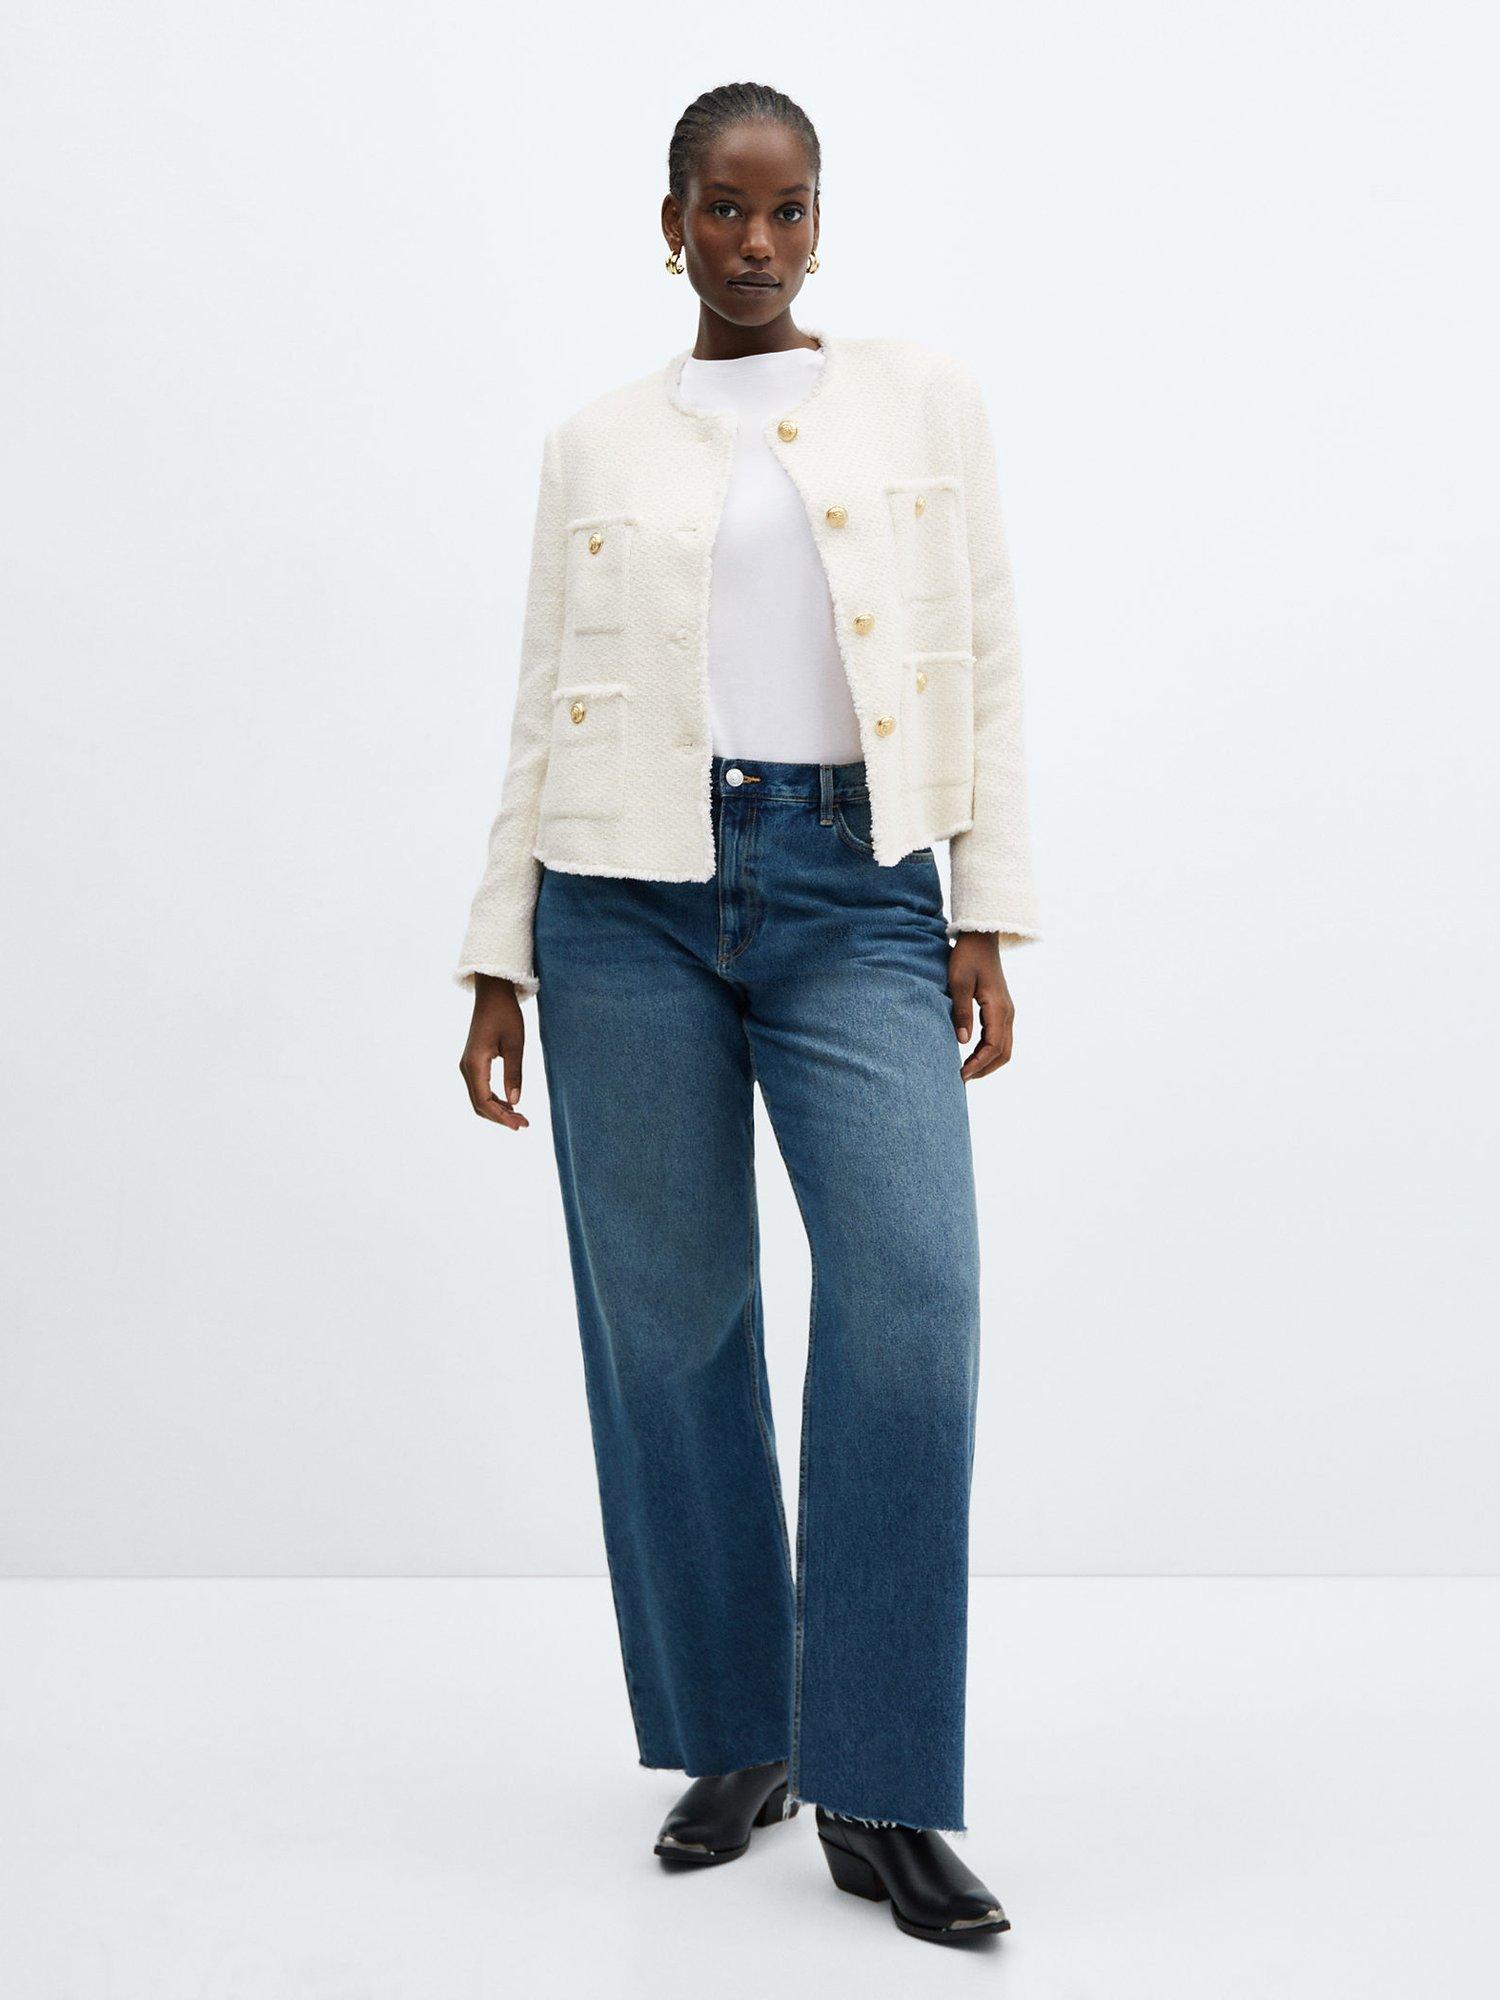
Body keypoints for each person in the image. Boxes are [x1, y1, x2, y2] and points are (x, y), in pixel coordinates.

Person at [455, 81, 1040, 1946]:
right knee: (672, 1323)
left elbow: (985, 656)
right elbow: (544, 697)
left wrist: (987, 908)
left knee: (914, 1302)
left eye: (787, 211)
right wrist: (498, 947)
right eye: (724, 208)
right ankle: (737, 1733)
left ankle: (880, 1777)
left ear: (820, 222)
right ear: (672, 223)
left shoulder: (921, 398)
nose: (758, 243)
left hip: (855, 888)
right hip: (618, 901)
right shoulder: (596, 442)